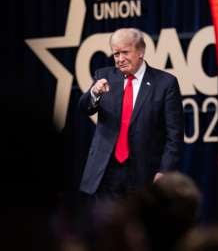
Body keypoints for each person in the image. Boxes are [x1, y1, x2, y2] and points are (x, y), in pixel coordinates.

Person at [79, 27, 184, 200]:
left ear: (141, 51)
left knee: (140, 225)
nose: (120, 59)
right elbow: (84, 108)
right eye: (116, 54)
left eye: (125, 52)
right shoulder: (104, 76)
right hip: (106, 172)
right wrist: (94, 93)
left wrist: (164, 171)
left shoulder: (165, 83)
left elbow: (174, 134)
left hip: (144, 173)